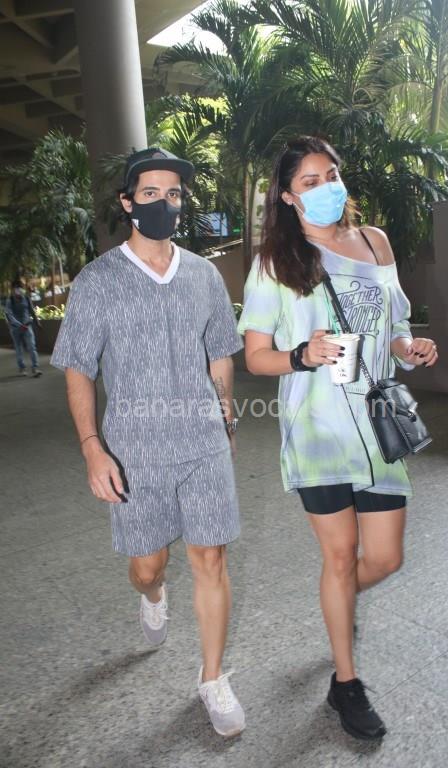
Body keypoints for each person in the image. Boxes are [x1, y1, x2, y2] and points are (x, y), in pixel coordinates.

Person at [238, 136, 439, 741]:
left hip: (376, 428)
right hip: (317, 429)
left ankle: (337, 604)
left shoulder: (375, 241)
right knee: (340, 556)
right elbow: (256, 357)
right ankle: (345, 683)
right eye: (309, 181)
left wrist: (408, 346)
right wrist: (303, 353)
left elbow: (395, 321)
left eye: (331, 175)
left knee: (385, 557)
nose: (326, 187)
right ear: (286, 197)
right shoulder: (275, 263)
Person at [51, 147, 246, 738]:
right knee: (147, 565)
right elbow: (78, 367)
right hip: (134, 451)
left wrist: (226, 418)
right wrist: (92, 447)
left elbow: (220, 351)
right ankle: (153, 593)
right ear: (128, 202)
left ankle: (212, 678)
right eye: (152, 193)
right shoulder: (98, 280)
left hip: (203, 442)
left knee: (211, 559)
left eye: (175, 194)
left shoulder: (204, 275)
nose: (165, 203)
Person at [4, 279, 43, 377]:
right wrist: (18, 325)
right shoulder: (10, 301)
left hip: (27, 326)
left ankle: (35, 367)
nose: (19, 289)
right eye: (16, 288)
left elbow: (32, 311)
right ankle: (22, 368)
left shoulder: (26, 298)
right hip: (15, 328)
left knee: (32, 346)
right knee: (19, 348)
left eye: (20, 287)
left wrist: (37, 323)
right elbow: (9, 315)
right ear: (13, 289)